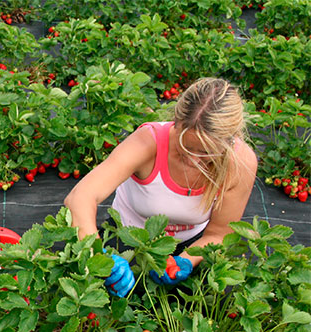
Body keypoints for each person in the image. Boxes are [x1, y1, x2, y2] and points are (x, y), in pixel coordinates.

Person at [63, 77, 258, 297]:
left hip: (191, 242)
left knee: (203, 304)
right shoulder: (149, 142)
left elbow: (219, 233)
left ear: (229, 142)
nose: (194, 160)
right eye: (187, 148)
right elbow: (80, 196)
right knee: (101, 297)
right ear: (176, 122)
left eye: (206, 153)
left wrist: (186, 260)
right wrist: (98, 255)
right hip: (128, 236)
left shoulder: (240, 163)